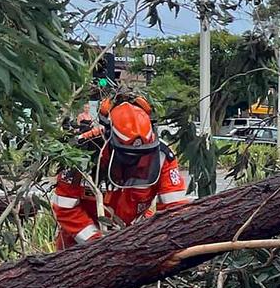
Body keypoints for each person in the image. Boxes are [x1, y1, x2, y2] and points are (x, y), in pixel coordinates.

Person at [51, 96, 192, 249]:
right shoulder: (82, 152)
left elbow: (175, 209)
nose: (136, 161)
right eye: (129, 156)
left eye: (141, 155)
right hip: (77, 248)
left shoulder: (162, 156)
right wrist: (96, 243)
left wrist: (160, 242)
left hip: (133, 238)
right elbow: (65, 207)